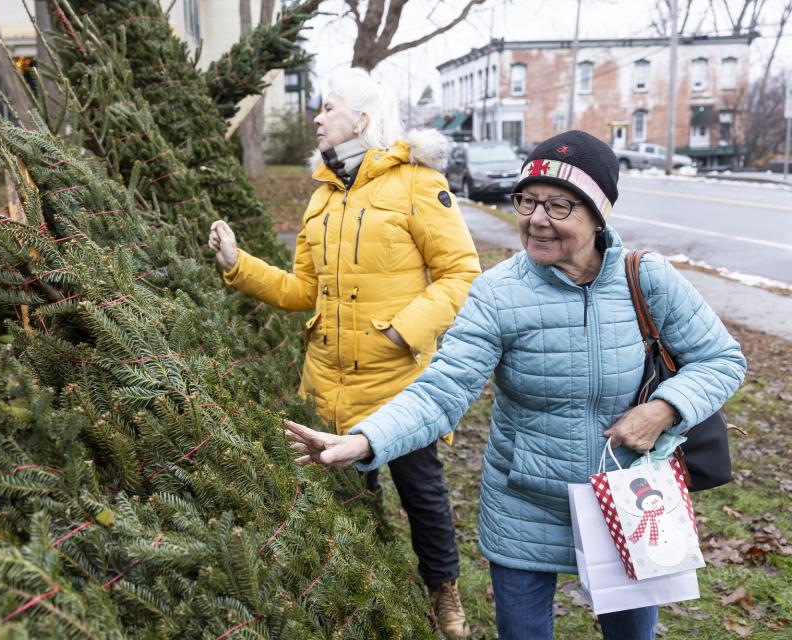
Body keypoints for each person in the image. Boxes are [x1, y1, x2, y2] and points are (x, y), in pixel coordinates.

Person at [284, 130, 747, 640]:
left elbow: (721, 359)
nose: (536, 219)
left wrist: (663, 409)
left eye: (559, 205)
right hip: (525, 505)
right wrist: (365, 439)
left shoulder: (647, 277)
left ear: (598, 215)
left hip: (630, 497)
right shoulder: (497, 294)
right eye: (527, 201)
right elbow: (442, 390)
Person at [209, 68, 481, 639]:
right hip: (327, 382)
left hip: (397, 385)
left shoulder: (415, 183)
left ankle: (444, 593)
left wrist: (404, 331)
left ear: (360, 118)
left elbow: (461, 272)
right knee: (343, 498)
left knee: (423, 496)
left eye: (327, 107)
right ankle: (363, 587)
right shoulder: (322, 198)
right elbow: (301, 292)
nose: (316, 117)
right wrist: (239, 266)